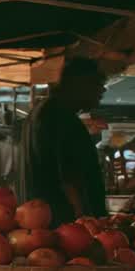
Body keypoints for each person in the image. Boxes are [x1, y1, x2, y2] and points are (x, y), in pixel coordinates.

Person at [29, 57, 109, 223]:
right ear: (77, 84)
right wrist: (83, 221)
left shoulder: (44, 112)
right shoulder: (58, 116)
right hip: (68, 228)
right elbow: (68, 177)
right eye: (96, 83)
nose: (102, 90)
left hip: (52, 224)